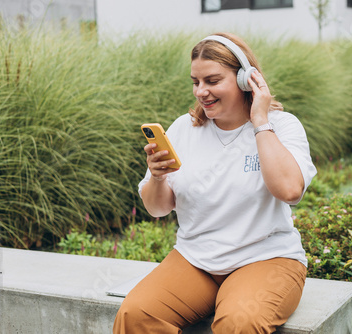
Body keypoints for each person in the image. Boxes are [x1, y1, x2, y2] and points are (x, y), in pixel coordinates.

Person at [113, 32, 317, 334]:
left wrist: (261, 121)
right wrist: (157, 177)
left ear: (246, 79)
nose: (201, 91)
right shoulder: (184, 128)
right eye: (195, 82)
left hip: (265, 258)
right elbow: (158, 208)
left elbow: (289, 190)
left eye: (212, 81)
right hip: (196, 259)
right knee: (135, 315)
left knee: (239, 323)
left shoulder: (282, 126)